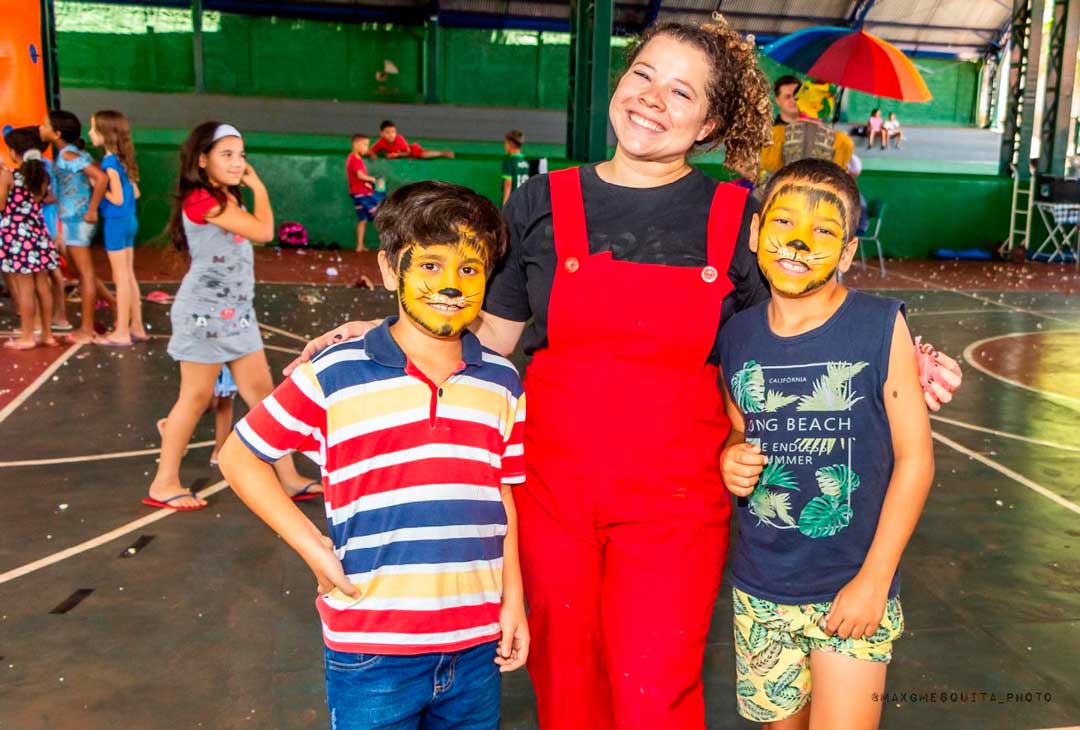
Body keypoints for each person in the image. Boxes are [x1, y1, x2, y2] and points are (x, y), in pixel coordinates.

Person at [287, 17, 961, 729]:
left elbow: (797, 327)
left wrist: (900, 359)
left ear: (710, 123)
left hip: (677, 506)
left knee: (656, 692)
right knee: (566, 687)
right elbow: (487, 341)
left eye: (682, 92)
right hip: (552, 500)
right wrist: (399, 327)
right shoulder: (540, 204)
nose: (652, 100)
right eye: (643, 75)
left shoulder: (738, 217)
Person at [218, 180, 529, 730]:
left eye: (469, 269)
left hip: (475, 645)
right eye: (430, 266)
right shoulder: (337, 373)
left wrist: (513, 602)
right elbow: (239, 457)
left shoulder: (502, 382)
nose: (451, 286)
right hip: (372, 648)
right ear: (389, 270)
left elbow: (501, 493)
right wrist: (314, 547)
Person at [719, 159, 934, 728]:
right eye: (784, 221)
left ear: (846, 253)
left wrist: (875, 580)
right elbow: (739, 424)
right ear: (756, 232)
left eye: (822, 231)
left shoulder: (880, 323)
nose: (796, 240)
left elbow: (916, 459)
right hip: (761, 585)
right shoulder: (737, 334)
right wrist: (729, 455)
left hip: (854, 586)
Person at [145, 122, 321, 511]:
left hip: (238, 315)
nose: (238, 162)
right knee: (194, 398)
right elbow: (263, 230)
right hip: (203, 316)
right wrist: (259, 187)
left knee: (263, 396)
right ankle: (164, 482)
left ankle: (288, 478)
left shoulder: (225, 197)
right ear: (202, 159)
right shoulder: (201, 200)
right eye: (227, 154)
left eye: (241, 155)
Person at [40, 110, 111, 344]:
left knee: (85, 274)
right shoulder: (68, 154)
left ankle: (87, 329)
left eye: (46, 125)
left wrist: (91, 209)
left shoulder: (69, 155)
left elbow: (100, 178)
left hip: (78, 219)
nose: (42, 128)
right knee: (81, 271)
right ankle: (116, 305)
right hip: (71, 218)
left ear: (57, 133)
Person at [89, 110, 147, 346]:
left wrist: (97, 184)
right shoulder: (125, 160)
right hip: (129, 222)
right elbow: (136, 192)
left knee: (120, 277)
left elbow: (119, 198)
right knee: (129, 275)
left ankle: (121, 331)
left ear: (105, 133)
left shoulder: (109, 162)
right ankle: (137, 326)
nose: (90, 133)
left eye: (93, 128)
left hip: (115, 221)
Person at [1, 128, 60, 350]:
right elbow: (44, 199)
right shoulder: (41, 176)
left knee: (24, 288)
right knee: (42, 285)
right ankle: (47, 334)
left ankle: (27, 335)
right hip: (37, 233)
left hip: (16, 236)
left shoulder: (9, 176)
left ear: (15, 153)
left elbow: (1, 205)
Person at [156, 364, 237, 468]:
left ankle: (220, 451)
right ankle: (172, 427)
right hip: (207, 356)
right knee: (207, 402)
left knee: (226, 400)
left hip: (230, 355)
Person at [344, 134, 384, 249]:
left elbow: (357, 178)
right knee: (380, 214)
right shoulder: (355, 159)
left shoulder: (351, 158)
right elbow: (360, 175)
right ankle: (384, 244)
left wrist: (369, 183)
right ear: (356, 144)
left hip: (357, 194)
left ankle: (360, 245)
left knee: (363, 219)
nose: (367, 148)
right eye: (365, 145)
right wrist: (374, 179)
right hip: (363, 194)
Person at [368, 120, 454, 160]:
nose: (391, 135)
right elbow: (371, 150)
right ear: (382, 134)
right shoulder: (381, 142)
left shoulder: (399, 139)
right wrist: (373, 155)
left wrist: (397, 155)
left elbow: (408, 152)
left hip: (411, 150)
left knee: (423, 154)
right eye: (388, 132)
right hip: (402, 155)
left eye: (393, 132)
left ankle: (443, 153)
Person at [501, 129, 530, 205]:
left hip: (513, 202)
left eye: (505, 143)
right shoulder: (526, 162)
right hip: (524, 201)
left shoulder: (509, 162)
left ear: (510, 143)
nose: (505, 146)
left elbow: (508, 185)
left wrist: (505, 205)